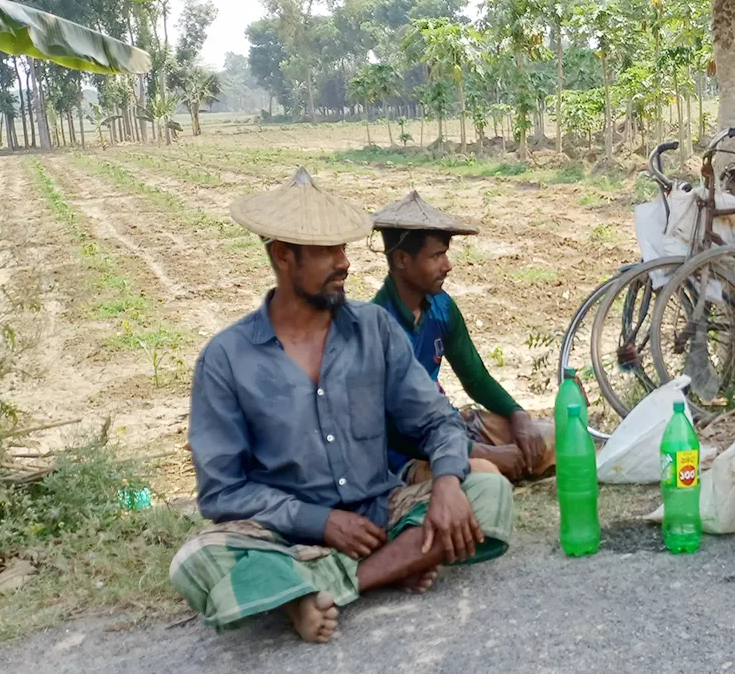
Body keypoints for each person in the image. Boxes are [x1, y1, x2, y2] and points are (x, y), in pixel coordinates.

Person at [170, 169, 514, 643]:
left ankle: (327, 587)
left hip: (379, 514)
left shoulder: (374, 329)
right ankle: (384, 568)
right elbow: (222, 493)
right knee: (195, 560)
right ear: (283, 256)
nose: (344, 263)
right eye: (328, 251)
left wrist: (450, 481)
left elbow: (435, 419)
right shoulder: (228, 359)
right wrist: (322, 522)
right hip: (283, 535)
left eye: (345, 249)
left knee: (486, 491)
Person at [370, 191, 554, 484]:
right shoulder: (376, 327)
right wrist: (484, 453)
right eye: (436, 255)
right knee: (486, 475)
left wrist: (517, 414)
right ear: (403, 259)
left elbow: (475, 378)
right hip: (410, 456)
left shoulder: (442, 308)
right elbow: (399, 430)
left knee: (555, 437)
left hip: (450, 430)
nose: (448, 265)